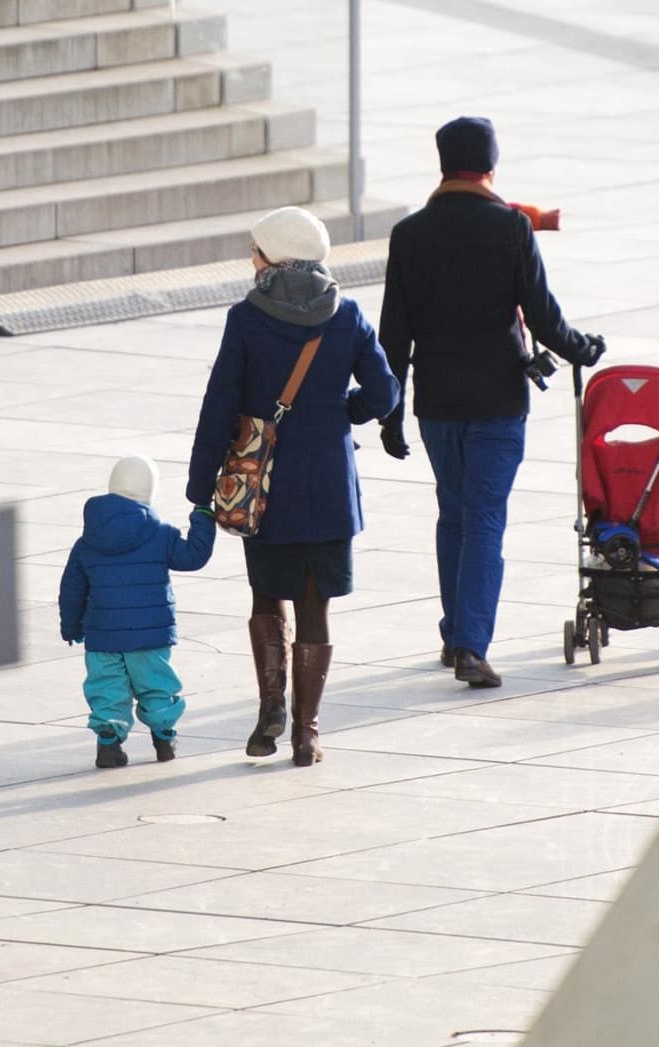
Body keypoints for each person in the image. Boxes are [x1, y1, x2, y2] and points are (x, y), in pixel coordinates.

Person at [377, 115, 606, 688]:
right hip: (498, 400)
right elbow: (545, 318)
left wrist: (390, 410)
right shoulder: (509, 228)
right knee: (483, 519)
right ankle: (470, 646)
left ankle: (457, 629)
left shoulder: (409, 235)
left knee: (454, 512)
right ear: (490, 167)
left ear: (441, 165)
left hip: (436, 403)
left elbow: (393, 333)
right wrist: (585, 349)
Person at [187, 205, 400, 766]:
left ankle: (269, 715)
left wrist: (200, 481)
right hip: (328, 481)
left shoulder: (246, 319)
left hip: (265, 482)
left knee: (267, 593)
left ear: (271, 258)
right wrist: (339, 411)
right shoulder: (347, 313)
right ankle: (307, 734)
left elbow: (220, 404)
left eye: (255, 251)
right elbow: (385, 394)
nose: (250, 260)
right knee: (315, 604)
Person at [59, 455, 215, 768]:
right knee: (155, 685)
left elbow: (72, 589)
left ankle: (109, 744)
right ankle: (164, 738)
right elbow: (193, 557)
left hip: (103, 636)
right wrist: (202, 516)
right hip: (150, 635)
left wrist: (71, 626)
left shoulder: (87, 541)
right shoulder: (160, 534)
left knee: (107, 689)